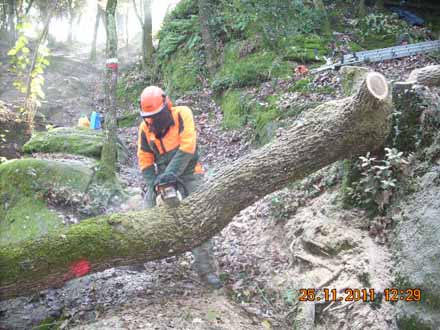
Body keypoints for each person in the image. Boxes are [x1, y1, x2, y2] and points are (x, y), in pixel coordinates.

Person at [137, 85, 221, 289]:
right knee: (144, 215)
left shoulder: (182, 114)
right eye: (149, 116)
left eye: (155, 115)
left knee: (199, 218)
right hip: (163, 175)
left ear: (166, 105)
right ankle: (135, 260)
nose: (152, 120)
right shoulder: (145, 127)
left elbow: (188, 146)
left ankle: (207, 270)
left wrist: (171, 173)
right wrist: (154, 183)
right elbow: (145, 159)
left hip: (190, 171)